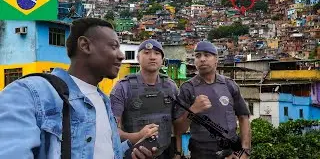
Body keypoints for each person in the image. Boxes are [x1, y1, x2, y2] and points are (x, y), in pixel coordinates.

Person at [0, 18, 156, 159]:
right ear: (85, 46)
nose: (121, 55)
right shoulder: (30, 93)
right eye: (114, 46)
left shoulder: (104, 101)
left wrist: (130, 151)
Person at [174, 41, 251, 159]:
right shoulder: (188, 88)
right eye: (198, 56)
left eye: (207, 55)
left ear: (216, 59)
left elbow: (243, 117)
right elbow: (178, 129)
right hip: (201, 153)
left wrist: (245, 151)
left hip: (230, 152)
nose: (202, 59)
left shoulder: (229, 85)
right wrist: (192, 110)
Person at [110, 39, 182, 159]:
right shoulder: (123, 87)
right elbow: (112, 130)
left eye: (157, 53)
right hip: (135, 154)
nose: (152, 57)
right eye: (147, 53)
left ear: (162, 60)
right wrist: (138, 136)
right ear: (138, 58)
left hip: (166, 153)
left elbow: (176, 125)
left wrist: (178, 152)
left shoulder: (171, 86)